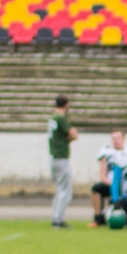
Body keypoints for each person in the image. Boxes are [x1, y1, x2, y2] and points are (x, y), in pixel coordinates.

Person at [90, 131, 127, 228]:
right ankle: (98, 217)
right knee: (96, 189)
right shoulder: (107, 151)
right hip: (110, 183)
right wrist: (113, 185)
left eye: (118, 138)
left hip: (125, 184)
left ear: (123, 139)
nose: (115, 141)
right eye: (113, 139)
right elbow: (102, 174)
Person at [48, 95, 77, 230]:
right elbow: (74, 134)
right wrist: (68, 139)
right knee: (65, 191)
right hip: (61, 157)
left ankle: (56, 216)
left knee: (60, 189)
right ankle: (58, 219)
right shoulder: (61, 118)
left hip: (54, 156)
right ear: (67, 105)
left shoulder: (52, 117)